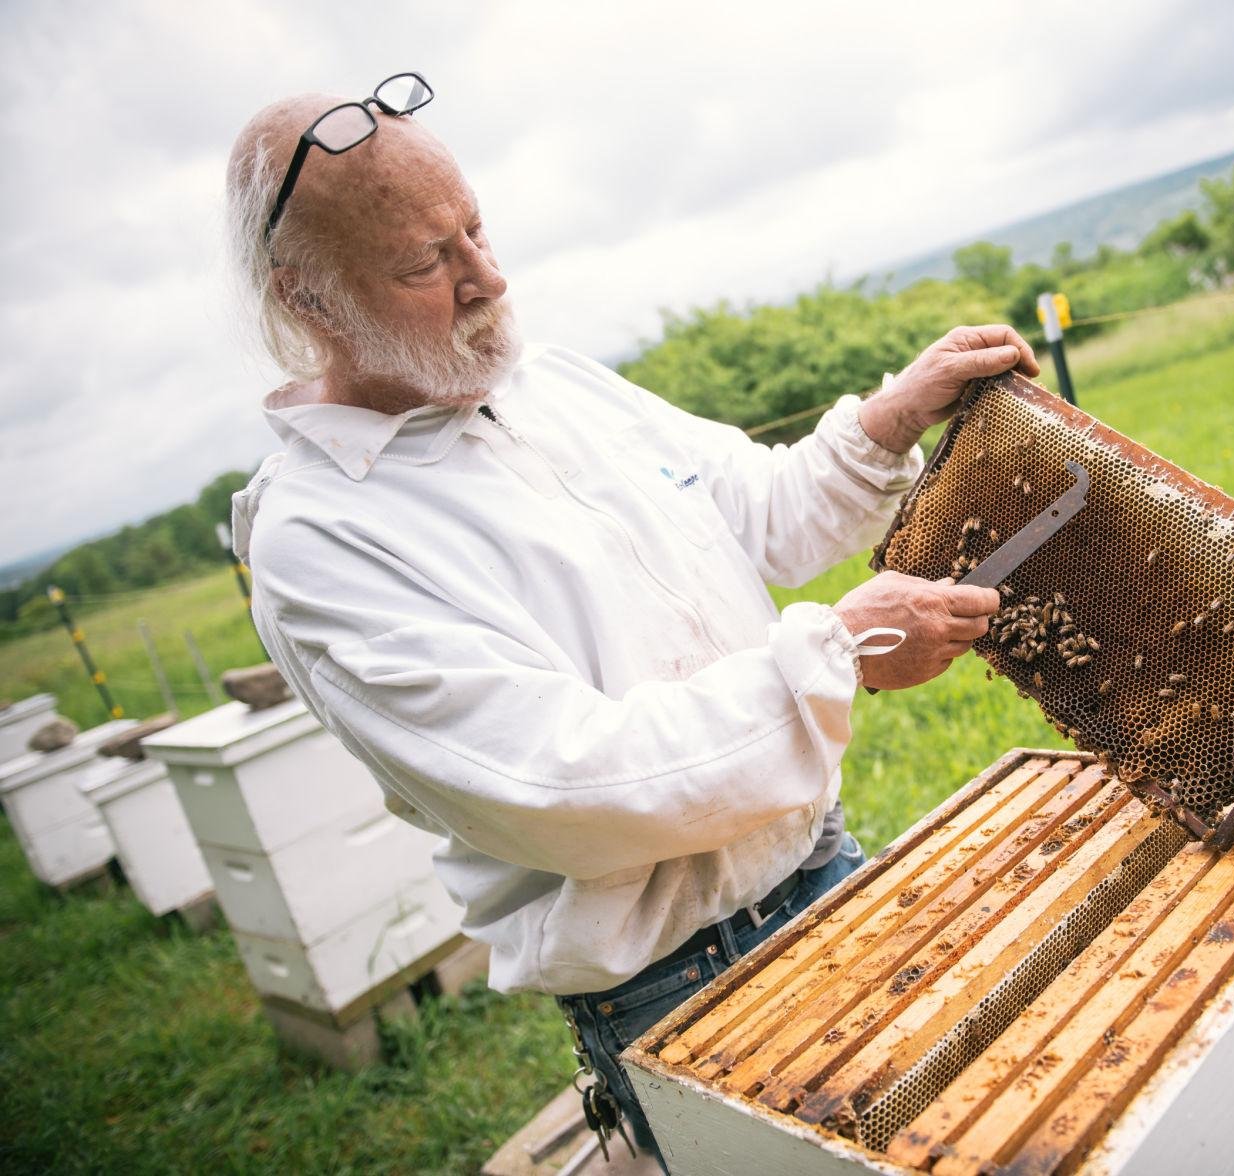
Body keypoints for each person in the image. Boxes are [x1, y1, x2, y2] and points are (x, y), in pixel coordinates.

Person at [223, 75, 1037, 1161]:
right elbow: (566, 789)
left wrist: (889, 418)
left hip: (822, 867)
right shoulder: (321, 544)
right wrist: (836, 652)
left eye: (476, 229)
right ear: (308, 301)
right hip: (671, 987)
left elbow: (757, 516)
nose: (486, 277)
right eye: (428, 261)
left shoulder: (549, 383)